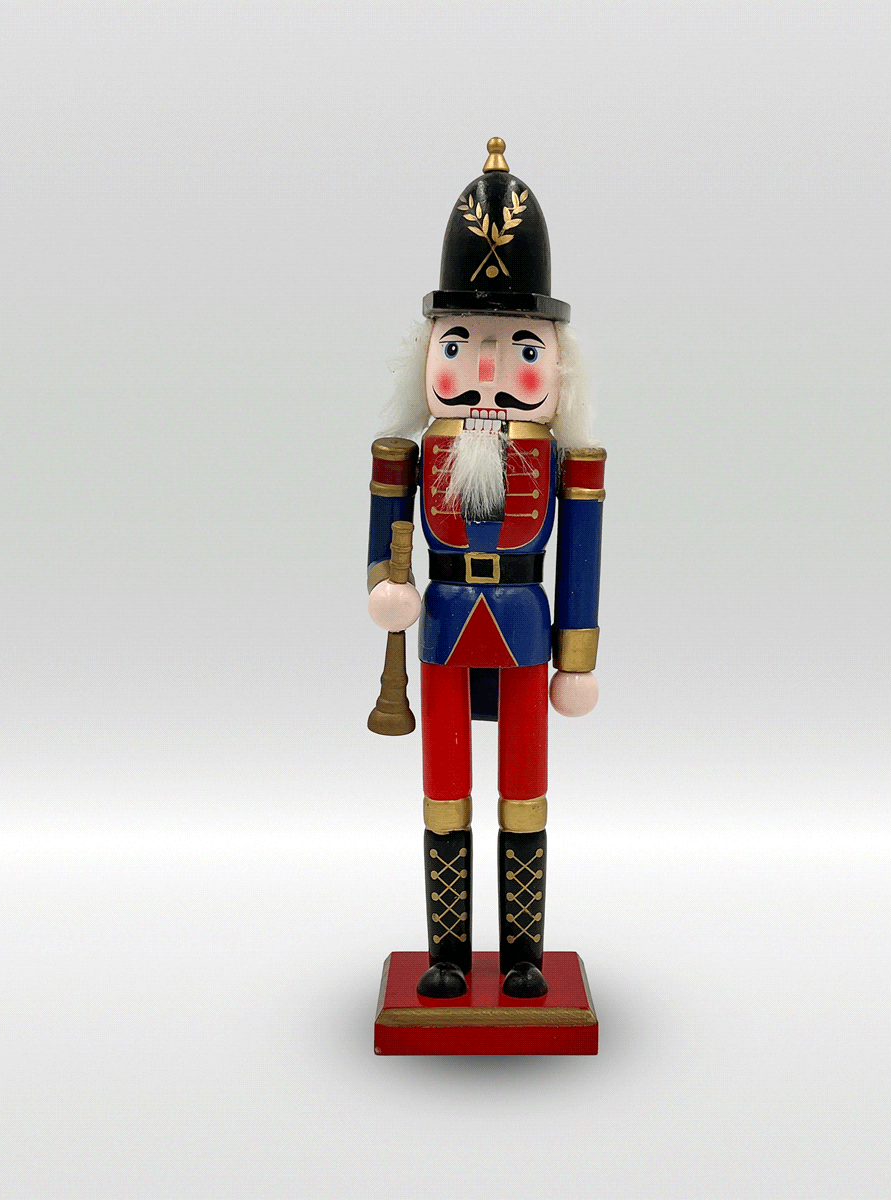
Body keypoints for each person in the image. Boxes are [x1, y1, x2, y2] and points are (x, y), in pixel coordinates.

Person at [367, 139, 606, 999]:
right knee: (444, 787)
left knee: (524, 788)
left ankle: (521, 955)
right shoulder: (411, 452)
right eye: (462, 346)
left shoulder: (566, 462)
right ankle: (445, 951)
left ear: (556, 364)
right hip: (441, 623)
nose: (484, 376)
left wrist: (577, 657)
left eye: (519, 351)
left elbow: (580, 558)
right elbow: (384, 539)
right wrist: (386, 588)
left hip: (523, 625)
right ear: (429, 351)